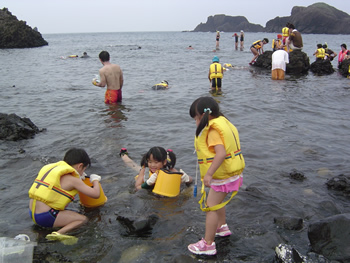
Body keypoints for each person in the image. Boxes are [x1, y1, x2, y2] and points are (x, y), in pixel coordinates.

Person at [187, 97, 245, 255]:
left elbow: (221, 154)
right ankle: (222, 227)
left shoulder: (212, 130)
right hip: (232, 173)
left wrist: (209, 174)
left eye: (197, 119)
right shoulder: (222, 122)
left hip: (223, 176)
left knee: (210, 206)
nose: (196, 122)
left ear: (205, 116)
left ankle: (208, 244)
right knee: (218, 202)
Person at [28, 148, 101, 240]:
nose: (83, 172)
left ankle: (45, 230)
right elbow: (96, 194)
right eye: (84, 169)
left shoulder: (52, 169)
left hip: (33, 213)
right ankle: (58, 234)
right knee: (83, 219)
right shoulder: (73, 180)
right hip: (45, 217)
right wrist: (95, 180)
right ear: (80, 166)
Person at [119, 147, 192, 191]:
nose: (153, 165)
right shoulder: (145, 171)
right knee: (134, 166)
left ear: (164, 162)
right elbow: (137, 187)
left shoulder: (170, 170)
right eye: (150, 162)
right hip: (145, 176)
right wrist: (147, 184)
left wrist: (186, 178)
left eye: (156, 162)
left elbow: (191, 180)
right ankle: (124, 155)